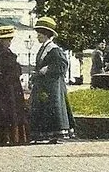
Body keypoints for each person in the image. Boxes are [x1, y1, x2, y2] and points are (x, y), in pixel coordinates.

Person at [29, 16, 75, 144]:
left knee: (52, 108)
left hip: (53, 86)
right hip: (44, 84)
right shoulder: (43, 48)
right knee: (43, 108)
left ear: (46, 35)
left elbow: (62, 65)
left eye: (40, 34)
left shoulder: (54, 49)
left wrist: (47, 69)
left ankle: (54, 135)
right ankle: (43, 135)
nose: (38, 37)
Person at [0, 26, 30, 146]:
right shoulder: (3, 54)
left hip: (1, 88)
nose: (10, 42)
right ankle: (7, 137)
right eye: (9, 40)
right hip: (7, 88)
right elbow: (13, 69)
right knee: (9, 111)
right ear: (4, 40)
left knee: (1, 111)